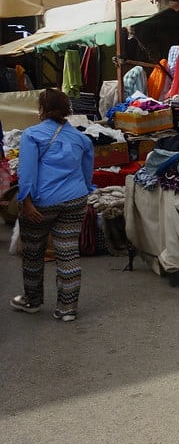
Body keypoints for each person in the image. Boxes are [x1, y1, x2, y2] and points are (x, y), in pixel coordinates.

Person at [10, 88, 95, 321]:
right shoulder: (81, 138)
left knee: (33, 253)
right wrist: (84, 192)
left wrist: (25, 202)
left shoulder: (31, 135)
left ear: (41, 110)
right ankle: (67, 309)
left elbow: (27, 172)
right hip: (75, 201)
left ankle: (32, 300)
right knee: (68, 253)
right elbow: (87, 174)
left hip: (40, 204)